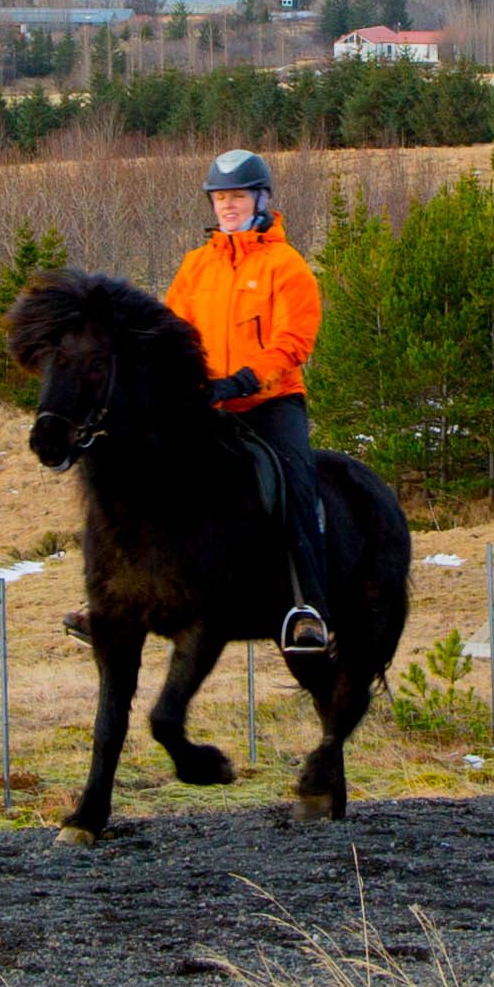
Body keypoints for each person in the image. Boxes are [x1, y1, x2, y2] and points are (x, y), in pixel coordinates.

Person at [165, 147, 336, 653]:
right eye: (220, 197)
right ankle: (126, 595)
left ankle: (310, 608)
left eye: (237, 195)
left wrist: (244, 380)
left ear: (261, 199)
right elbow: (171, 333)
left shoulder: (286, 265)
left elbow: (294, 342)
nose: (227, 205)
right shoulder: (195, 267)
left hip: (270, 401)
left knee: (294, 482)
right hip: (208, 403)